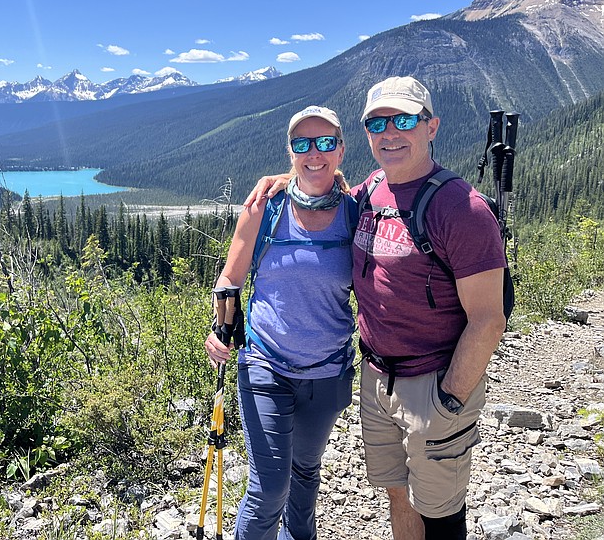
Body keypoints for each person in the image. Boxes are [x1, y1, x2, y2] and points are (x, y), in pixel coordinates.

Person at [245, 77, 507, 540]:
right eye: (377, 122)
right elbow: (321, 182)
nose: (390, 132)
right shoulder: (371, 192)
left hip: (434, 379)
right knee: (398, 495)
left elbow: (488, 318)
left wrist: (450, 397)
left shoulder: (459, 207)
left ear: (432, 127)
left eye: (404, 120)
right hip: (377, 377)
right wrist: (284, 180)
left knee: (441, 509)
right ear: (365, 134)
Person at [205, 105, 356, 540]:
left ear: (341, 150)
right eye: (302, 144)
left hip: (328, 373)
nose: (314, 152)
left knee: (305, 477)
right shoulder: (264, 209)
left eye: (325, 142)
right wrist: (222, 328)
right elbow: (230, 278)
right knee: (270, 487)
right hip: (265, 364)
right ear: (290, 151)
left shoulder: (354, 212)